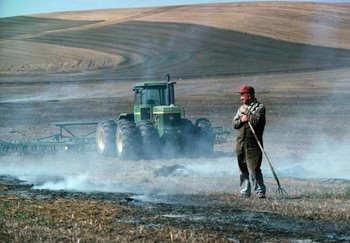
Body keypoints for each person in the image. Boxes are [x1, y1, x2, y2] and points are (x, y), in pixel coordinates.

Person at [233, 85, 266, 198]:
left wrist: (247, 113)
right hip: (241, 142)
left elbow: (256, 121)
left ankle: (260, 191)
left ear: (250, 95)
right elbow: (235, 124)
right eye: (241, 95)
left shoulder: (260, 107)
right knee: (243, 168)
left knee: (254, 168)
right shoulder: (240, 108)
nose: (241, 98)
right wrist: (241, 120)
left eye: (243, 95)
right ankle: (245, 191)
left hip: (254, 144)